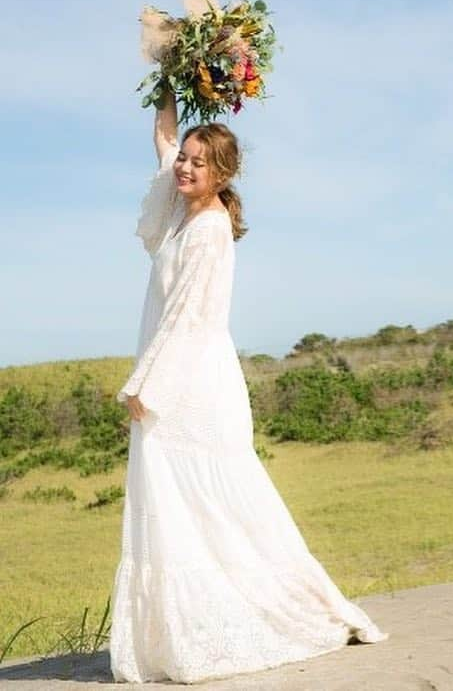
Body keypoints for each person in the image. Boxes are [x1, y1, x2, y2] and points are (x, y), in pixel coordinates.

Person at [109, 90, 388, 683]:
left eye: (198, 162)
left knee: (216, 502)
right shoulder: (180, 210)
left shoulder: (209, 229)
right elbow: (162, 139)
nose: (184, 166)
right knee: (177, 503)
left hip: (190, 382)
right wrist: (172, 77)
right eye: (185, 158)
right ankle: (187, 631)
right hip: (174, 374)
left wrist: (145, 386)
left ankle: (289, 612)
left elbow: (191, 317)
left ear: (222, 174)